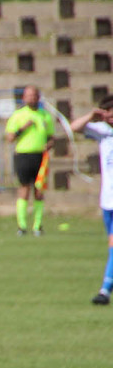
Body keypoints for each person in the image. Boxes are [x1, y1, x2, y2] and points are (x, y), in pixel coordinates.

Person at [68, 95, 113, 305]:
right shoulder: (103, 132)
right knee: (111, 246)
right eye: (107, 114)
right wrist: (91, 116)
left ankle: (104, 291)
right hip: (107, 200)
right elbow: (74, 127)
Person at [4, 85, 55, 236]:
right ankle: (22, 225)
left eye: (34, 95)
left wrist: (50, 143)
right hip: (23, 155)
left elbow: (51, 137)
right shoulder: (18, 115)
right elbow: (10, 137)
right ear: (23, 98)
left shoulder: (45, 116)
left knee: (39, 190)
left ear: (38, 97)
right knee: (24, 189)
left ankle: (37, 226)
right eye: (28, 95)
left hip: (40, 156)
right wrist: (23, 128)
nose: (31, 98)